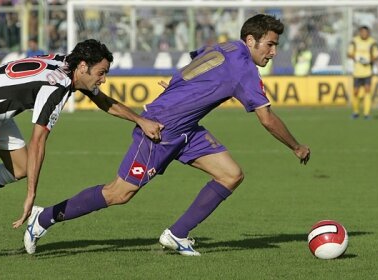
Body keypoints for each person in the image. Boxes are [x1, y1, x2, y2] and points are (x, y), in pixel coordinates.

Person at [23, 14, 311, 257]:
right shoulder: (244, 68)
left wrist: (176, 84)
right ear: (251, 40)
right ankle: (43, 217)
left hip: (186, 128)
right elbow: (267, 118)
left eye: (275, 45)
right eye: (270, 44)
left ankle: (177, 234)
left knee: (231, 174)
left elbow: (196, 60)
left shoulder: (228, 47)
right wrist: (296, 146)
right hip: (160, 128)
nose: (273, 51)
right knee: (119, 193)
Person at [0, 39, 163, 264]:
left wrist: (140, 119)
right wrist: (31, 195)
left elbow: (103, 101)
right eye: (101, 73)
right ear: (83, 67)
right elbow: (38, 142)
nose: (103, 80)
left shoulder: (66, 63)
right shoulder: (57, 88)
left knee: (21, 168)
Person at [347, 26, 378, 120]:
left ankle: (366, 114)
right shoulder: (354, 41)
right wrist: (356, 58)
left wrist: (368, 60)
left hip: (367, 71)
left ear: (368, 33)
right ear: (360, 33)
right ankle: (355, 112)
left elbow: (376, 55)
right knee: (356, 92)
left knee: (367, 90)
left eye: (366, 32)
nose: (364, 34)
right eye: (362, 32)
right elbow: (349, 53)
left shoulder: (372, 42)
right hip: (357, 72)